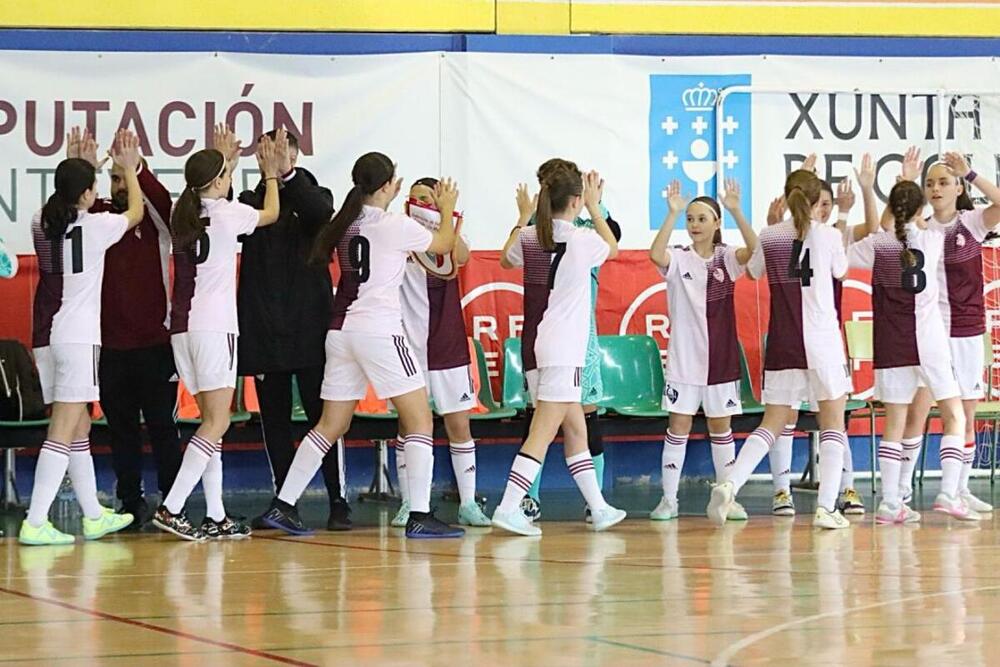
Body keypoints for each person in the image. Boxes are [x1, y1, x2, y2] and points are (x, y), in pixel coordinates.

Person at [260, 152, 465, 539]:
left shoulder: (347, 223)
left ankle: (283, 505)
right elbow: (443, 244)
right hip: (379, 332)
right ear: (390, 185)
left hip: (341, 332)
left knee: (329, 425)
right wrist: (448, 207)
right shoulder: (394, 225)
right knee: (421, 420)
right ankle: (420, 514)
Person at [707, 167, 856, 530]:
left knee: (771, 423)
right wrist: (845, 216)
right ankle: (825, 507)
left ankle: (730, 484)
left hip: (783, 341)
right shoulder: (828, 236)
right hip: (822, 341)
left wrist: (763, 223)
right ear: (815, 199)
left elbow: (754, 273)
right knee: (833, 422)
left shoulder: (771, 236)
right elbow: (841, 271)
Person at [151, 126, 282, 541]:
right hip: (214, 326)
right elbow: (271, 214)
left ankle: (216, 514)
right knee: (218, 421)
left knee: (212, 422)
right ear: (222, 182)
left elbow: (212, 190)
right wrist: (272, 175)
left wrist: (226, 161)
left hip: (183, 329)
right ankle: (172, 507)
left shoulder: (183, 212)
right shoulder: (229, 213)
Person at [19, 128, 143, 546]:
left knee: (80, 428)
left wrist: (84, 168)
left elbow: (64, 202)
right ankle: (35, 522)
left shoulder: (42, 222)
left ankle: (92, 515)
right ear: (89, 193)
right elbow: (137, 213)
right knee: (63, 427)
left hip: (54, 333)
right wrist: (129, 168)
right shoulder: (97, 226)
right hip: (78, 336)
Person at [491, 160, 626, 536]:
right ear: (577, 200)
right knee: (542, 432)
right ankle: (508, 506)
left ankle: (598, 507)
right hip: (564, 347)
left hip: (537, 345)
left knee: (577, 431)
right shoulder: (581, 240)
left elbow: (505, 259)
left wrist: (522, 217)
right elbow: (612, 248)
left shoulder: (530, 236)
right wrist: (596, 208)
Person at [62, 126, 183, 528]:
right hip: (109, 345)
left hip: (154, 343)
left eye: (122, 177)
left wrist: (136, 170)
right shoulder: (95, 218)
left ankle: (173, 501)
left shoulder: (154, 221)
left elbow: (164, 206)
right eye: (110, 179)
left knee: (164, 427)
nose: (117, 185)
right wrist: (79, 168)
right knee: (122, 431)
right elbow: (66, 207)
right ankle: (131, 501)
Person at [237, 130, 351, 532]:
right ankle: (284, 500)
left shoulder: (315, 195)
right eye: (268, 153)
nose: (275, 158)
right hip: (265, 329)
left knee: (325, 417)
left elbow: (321, 217)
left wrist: (284, 176)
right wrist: (266, 181)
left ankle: (339, 499)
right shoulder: (251, 202)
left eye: (282, 153)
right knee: (275, 421)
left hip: (310, 327)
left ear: (297, 156)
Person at [766, 153, 882, 517]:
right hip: (802, 336)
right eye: (820, 202)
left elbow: (873, 230)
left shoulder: (835, 235)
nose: (825, 208)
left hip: (824, 337)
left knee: (834, 416)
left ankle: (844, 487)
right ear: (810, 202)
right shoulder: (794, 235)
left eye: (830, 204)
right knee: (787, 417)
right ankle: (784, 491)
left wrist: (862, 192)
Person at [849, 179, 969, 522]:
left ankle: (890, 502)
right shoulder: (933, 239)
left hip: (892, 342)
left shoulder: (876, 245)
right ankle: (947, 492)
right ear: (920, 209)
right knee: (954, 416)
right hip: (928, 340)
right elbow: (926, 220)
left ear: (893, 208)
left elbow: (845, 259)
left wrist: (874, 196)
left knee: (895, 422)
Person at [647, 178, 757, 521]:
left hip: (721, 361)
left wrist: (738, 210)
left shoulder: (727, 258)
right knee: (678, 426)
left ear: (716, 223)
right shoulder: (678, 258)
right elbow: (654, 254)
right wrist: (672, 213)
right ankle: (669, 500)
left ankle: (728, 497)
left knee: (720, 429)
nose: (694, 225)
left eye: (701, 218)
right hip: (684, 360)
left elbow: (755, 250)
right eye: (690, 219)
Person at [898, 151, 1000, 515]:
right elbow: (891, 222)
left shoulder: (971, 223)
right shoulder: (919, 227)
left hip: (968, 331)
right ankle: (901, 493)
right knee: (918, 411)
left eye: (943, 181)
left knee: (966, 414)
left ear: (957, 187)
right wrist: (906, 182)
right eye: (930, 184)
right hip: (930, 333)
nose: (936, 188)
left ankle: (957, 490)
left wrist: (970, 172)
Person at [394, 178, 491, 528]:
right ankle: (409, 503)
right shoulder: (399, 233)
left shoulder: (450, 234)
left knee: (458, 423)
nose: (419, 205)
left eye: (427, 199)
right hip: (411, 345)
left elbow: (461, 255)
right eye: (414, 198)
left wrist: (445, 215)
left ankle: (468, 503)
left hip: (448, 342)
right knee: (409, 425)